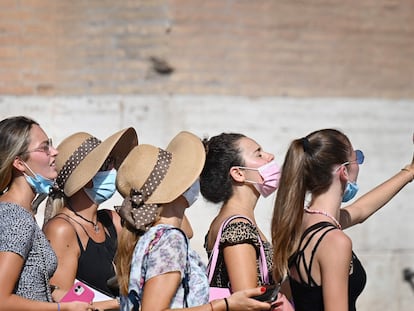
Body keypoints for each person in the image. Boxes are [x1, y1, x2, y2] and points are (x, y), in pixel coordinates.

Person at [115, 131, 272, 311]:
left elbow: (187, 230)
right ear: (175, 189)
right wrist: (222, 305)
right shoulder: (169, 240)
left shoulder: (157, 237)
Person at [271, 128, 414, 311]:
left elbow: (360, 210)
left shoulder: (300, 221)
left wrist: (410, 171)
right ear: (344, 171)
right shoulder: (335, 241)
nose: (359, 165)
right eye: (358, 159)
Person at [0, 116, 92, 310]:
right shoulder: (16, 218)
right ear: (19, 163)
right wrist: (62, 308)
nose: (55, 152)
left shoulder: (19, 212)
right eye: (44, 148)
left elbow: (30, 286)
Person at [43, 128, 138, 310]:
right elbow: (60, 297)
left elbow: (184, 231)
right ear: (87, 179)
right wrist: (121, 303)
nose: (114, 170)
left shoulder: (111, 220)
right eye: (107, 163)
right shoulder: (62, 229)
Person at [199, 133, 289, 296]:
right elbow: (247, 302)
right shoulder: (238, 228)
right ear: (239, 173)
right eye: (259, 154)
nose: (270, 157)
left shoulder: (231, 220)